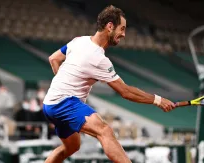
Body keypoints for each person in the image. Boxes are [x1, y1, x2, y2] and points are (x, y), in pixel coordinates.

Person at [42, 5, 176, 163]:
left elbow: (54, 58)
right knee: (104, 130)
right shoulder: (99, 59)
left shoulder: (79, 41)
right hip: (64, 103)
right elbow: (126, 92)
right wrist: (158, 100)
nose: (124, 34)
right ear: (110, 26)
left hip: (49, 103)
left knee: (71, 147)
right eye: (122, 29)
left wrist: (62, 83)